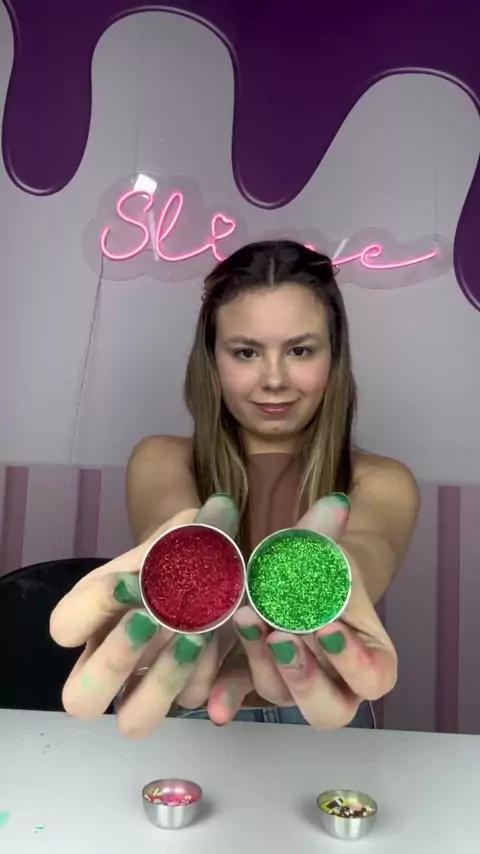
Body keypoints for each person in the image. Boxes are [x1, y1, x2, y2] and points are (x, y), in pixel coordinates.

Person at [50, 240, 419, 738]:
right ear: (212, 360)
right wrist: (179, 557)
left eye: (300, 350)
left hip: (325, 707)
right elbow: (179, 537)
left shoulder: (383, 481)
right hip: (185, 701)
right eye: (246, 352)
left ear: (334, 357)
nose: (274, 379)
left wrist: (332, 578)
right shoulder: (163, 458)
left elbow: (363, 561)